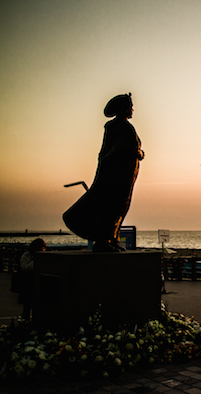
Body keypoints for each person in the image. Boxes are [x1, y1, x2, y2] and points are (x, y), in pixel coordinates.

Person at [63, 93, 144, 252]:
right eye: (130, 106)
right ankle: (103, 240)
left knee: (121, 206)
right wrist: (133, 152)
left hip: (127, 176)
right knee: (110, 206)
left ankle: (112, 238)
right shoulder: (114, 126)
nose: (132, 109)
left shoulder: (127, 127)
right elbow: (110, 151)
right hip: (115, 175)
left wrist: (138, 153)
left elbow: (133, 149)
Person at [19, 238, 46, 321]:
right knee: (27, 306)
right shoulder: (27, 255)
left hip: (38, 284)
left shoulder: (42, 256)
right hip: (28, 284)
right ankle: (25, 322)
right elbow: (24, 268)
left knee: (38, 307)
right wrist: (36, 261)